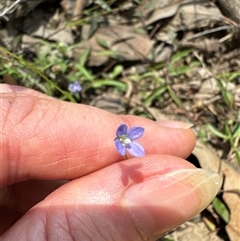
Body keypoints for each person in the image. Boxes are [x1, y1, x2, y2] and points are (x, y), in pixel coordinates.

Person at [0, 84, 221, 241]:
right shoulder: (120, 141)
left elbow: (133, 140)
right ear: (120, 138)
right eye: (123, 138)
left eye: (126, 138)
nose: (125, 139)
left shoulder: (130, 144)